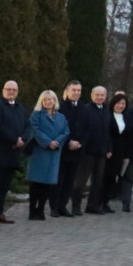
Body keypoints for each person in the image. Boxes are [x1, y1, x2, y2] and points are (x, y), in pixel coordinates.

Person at [0, 80, 28, 225]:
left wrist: (23, 139)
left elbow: (28, 125)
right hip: (0, 152)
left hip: (14, 154)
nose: (11, 92)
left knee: (5, 186)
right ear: (3, 90)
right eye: (8, 89)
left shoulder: (20, 107)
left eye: (14, 90)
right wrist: (14, 139)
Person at [27, 90, 69, 221]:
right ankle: (32, 210)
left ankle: (41, 210)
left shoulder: (61, 117)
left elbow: (66, 131)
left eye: (50, 99)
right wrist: (47, 142)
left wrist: (57, 142)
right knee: (36, 183)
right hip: (40, 152)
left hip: (54, 153)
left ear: (55, 101)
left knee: (47, 183)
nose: (48, 102)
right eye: (45, 100)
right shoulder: (37, 115)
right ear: (42, 101)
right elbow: (35, 130)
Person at [73, 86, 112, 214]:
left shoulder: (107, 111)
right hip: (87, 152)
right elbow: (80, 130)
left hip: (102, 152)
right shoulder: (85, 109)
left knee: (98, 181)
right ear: (91, 95)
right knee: (80, 181)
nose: (100, 97)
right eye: (97, 95)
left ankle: (92, 206)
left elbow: (108, 132)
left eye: (102, 95)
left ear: (105, 96)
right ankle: (76, 206)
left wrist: (109, 148)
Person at [54, 80, 83, 217]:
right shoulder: (59, 107)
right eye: (74, 90)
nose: (76, 93)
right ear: (67, 91)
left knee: (70, 180)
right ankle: (54, 206)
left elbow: (88, 129)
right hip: (62, 149)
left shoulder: (84, 109)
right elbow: (57, 128)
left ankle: (63, 206)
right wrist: (68, 142)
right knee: (59, 179)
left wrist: (79, 143)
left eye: (78, 90)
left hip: (77, 150)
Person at [104, 93, 130, 207]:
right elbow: (106, 134)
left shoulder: (126, 117)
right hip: (109, 150)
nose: (121, 105)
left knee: (113, 177)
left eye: (123, 103)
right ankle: (100, 202)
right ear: (113, 103)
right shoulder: (107, 115)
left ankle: (106, 202)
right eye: (119, 103)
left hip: (120, 151)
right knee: (105, 176)